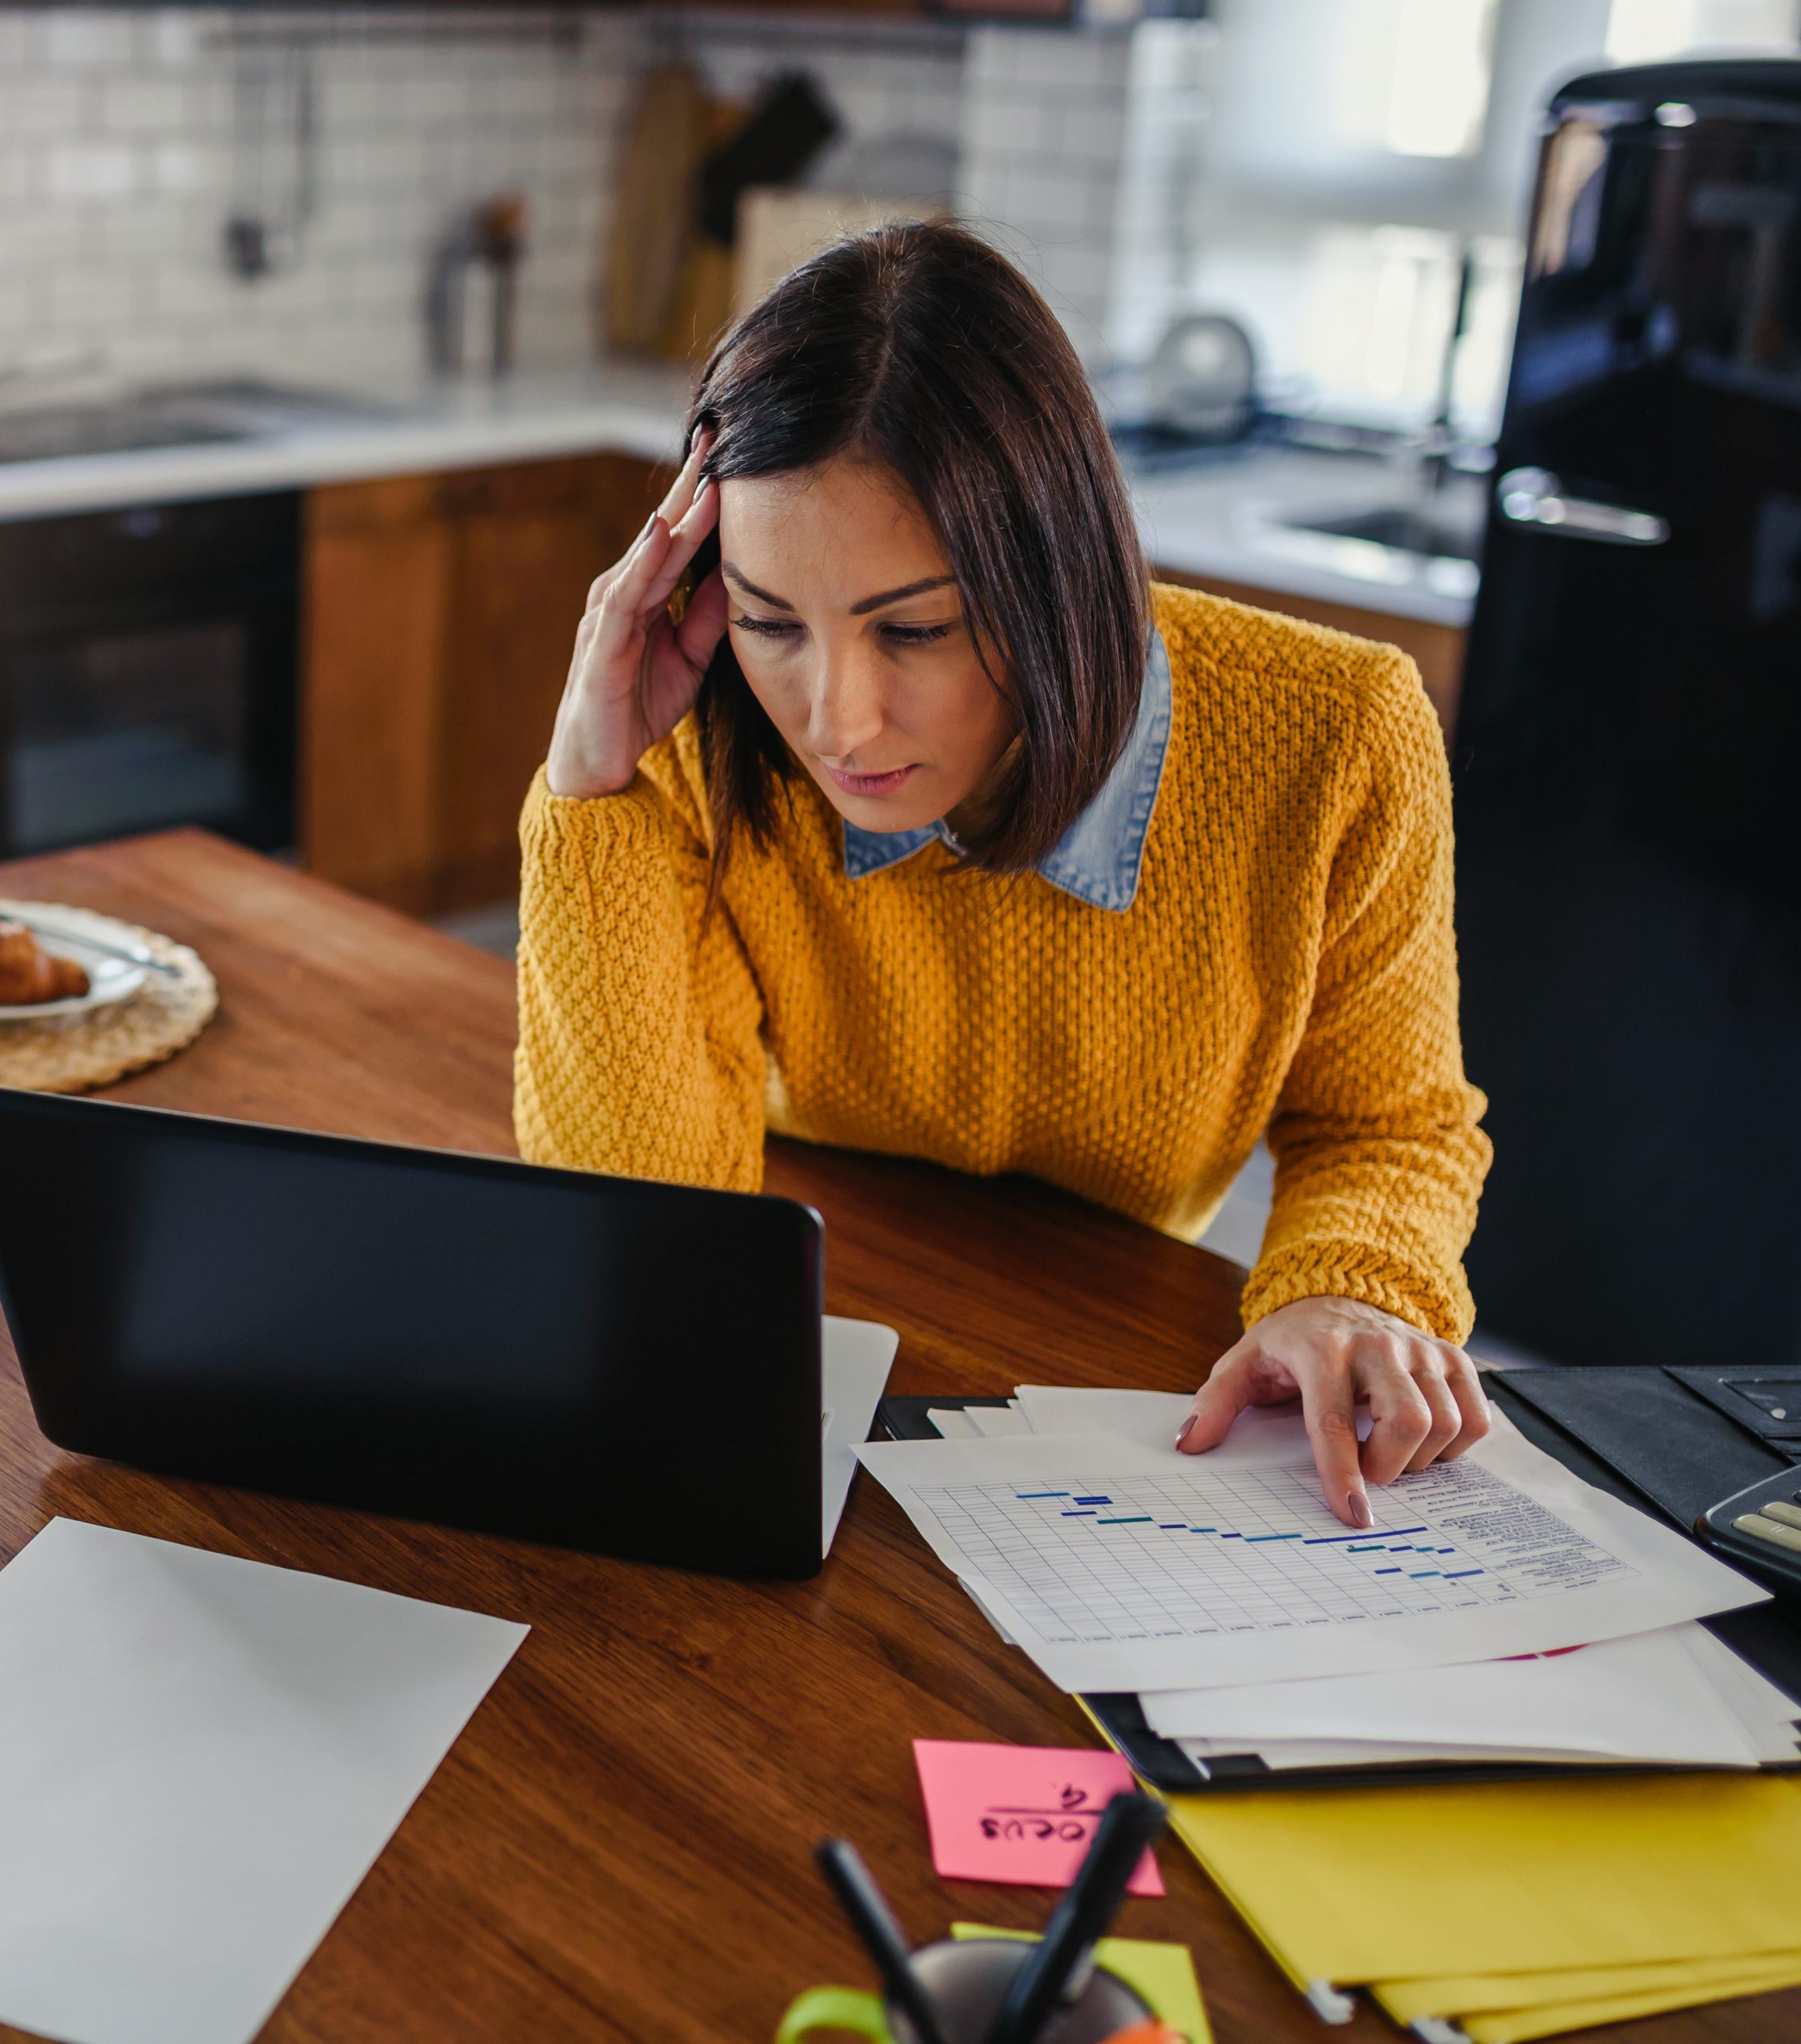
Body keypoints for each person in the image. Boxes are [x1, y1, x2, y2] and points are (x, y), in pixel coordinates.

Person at [517, 220, 1491, 1530]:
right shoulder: (698, 733)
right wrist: (592, 793)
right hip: (829, 1289)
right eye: (767, 622)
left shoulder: (1334, 731)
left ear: (1054, 573)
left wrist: (1349, 1283)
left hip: (1121, 1370)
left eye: (911, 629)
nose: (836, 721)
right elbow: (642, 1227)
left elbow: (1385, 1125)